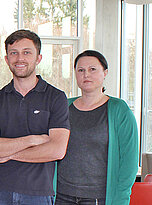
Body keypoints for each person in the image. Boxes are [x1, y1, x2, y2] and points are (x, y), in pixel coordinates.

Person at [0, 29, 70, 205]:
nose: (19, 58)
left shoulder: (56, 97)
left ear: (38, 58)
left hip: (38, 194)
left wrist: (9, 155)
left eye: (26, 52)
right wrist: (33, 139)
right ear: (7, 60)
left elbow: (57, 150)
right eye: (14, 53)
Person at [55, 50, 139, 205]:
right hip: (61, 195)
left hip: (99, 198)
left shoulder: (119, 110)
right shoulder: (63, 107)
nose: (86, 74)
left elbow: (129, 162)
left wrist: (121, 198)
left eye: (92, 69)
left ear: (105, 72)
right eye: (81, 70)